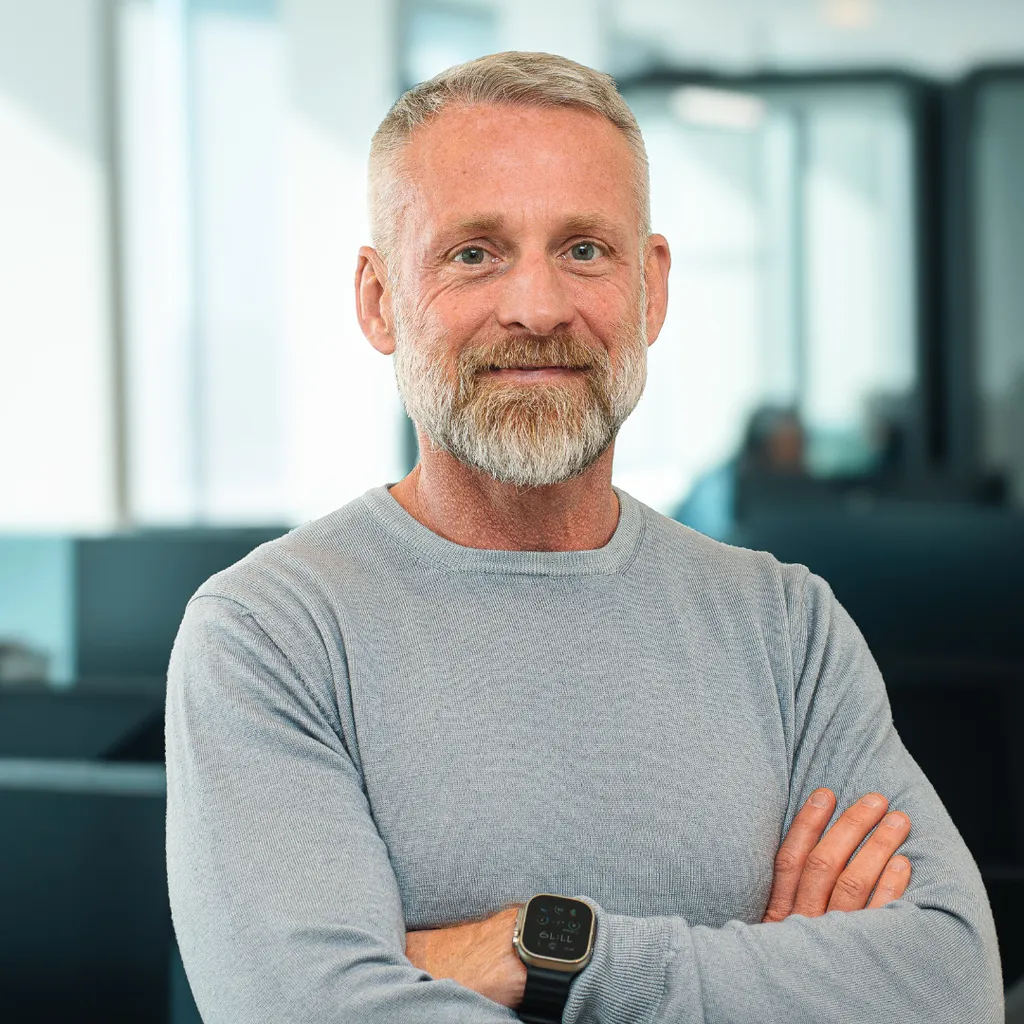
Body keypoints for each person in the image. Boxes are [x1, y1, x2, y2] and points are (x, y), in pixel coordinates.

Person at [165, 52, 1002, 1023]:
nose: (537, 307)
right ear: (379, 298)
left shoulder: (783, 624)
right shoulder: (270, 633)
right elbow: (314, 1013)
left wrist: (556, 949)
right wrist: (772, 978)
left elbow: (946, 981)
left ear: (650, 285)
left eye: (584, 250)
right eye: (473, 252)